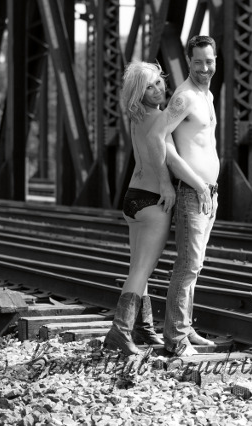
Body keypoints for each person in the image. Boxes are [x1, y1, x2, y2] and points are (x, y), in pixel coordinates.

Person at [148, 35, 220, 357]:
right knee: (187, 265)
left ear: (215, 61)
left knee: (196, 265)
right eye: (198, 62)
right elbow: (159, 137)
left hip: (209, 193)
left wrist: (208, 188)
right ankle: (175, 338)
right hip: (194, 191)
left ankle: (185, 327)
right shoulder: (185, 96)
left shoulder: (207, 95)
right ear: (189, 62)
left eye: (209, 61)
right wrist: (191, 183)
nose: (204, 68)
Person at [104, 61, 177, 356]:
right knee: (142, 271)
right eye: (149, 87)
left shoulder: (138, 116)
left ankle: (142, 328)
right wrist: (167, 185)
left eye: (158, 82)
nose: (157, 89)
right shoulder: (159, 117)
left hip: (132, 199)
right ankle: (120, 331)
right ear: (139, 93)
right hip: (152, 201)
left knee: (137, 269)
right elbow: (160, 154)